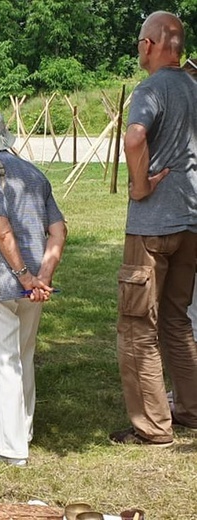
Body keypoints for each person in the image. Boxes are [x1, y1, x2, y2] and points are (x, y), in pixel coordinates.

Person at [0, 108, 67, 466]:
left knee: (2, 360)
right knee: (22, 356)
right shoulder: (33, 172)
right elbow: (58, 230)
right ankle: (22, 431)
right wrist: (43, 277)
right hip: (35, 284)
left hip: (4, 280)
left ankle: (8, 447)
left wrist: (24, 275)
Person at [110, 11, 197, 446]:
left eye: (140, 42)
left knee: (136, 325)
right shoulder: (195, 87)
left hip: (152, 228)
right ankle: (190, 409)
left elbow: (134, 137)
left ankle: (152, 427)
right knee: (178, 321)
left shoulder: (152, 88)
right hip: (191, 223)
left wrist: (140, 186)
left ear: (150, 45)